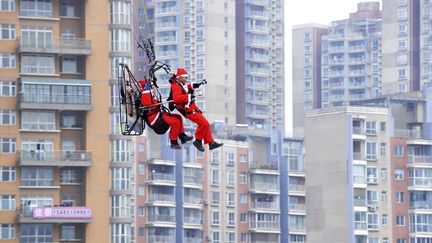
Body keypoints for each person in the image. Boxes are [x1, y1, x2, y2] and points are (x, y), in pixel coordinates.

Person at [169, 68, 223, 152]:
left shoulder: (180, 84)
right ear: (179, 77)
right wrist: (189, 96)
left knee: (206, 124)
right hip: (188, 110)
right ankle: (198, 141)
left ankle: (211, 143)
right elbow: (177, 99)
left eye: (186, 77)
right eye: (184, 77)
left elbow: (187, 87)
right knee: (204, 124)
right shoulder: (175, 85)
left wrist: (197, 84)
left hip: (192, 108)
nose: (186, 79)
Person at [140, 79, 192, 149]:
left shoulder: (148, 93)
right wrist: (156, 102)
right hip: (155, 119)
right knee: (175, 122)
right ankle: (173, 142)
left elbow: (153, 102)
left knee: (178, 117)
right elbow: (149, 104)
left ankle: (182, 136)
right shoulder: (145, 93)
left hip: (158, 114)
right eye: (151, 85)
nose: (152, 86)